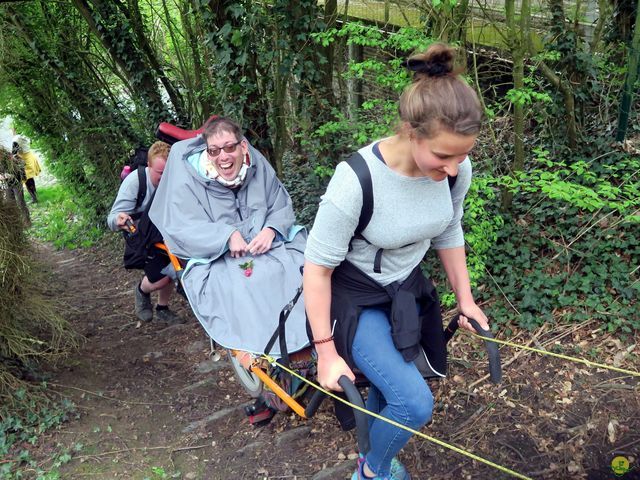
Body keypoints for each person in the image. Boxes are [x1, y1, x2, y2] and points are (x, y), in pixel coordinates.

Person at [303, 43, 491, 480]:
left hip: (406, 290)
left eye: (463, 156)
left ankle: (371, 455)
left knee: (392, 388)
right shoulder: (357, 180)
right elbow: (317, 269)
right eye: (443, 156)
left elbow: (448, 229)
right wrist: (325, 352)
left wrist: (465, 298)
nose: (453, 167)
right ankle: (373, 470)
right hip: (354, 299)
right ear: (411, 131)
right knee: (414, 402)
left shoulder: (455, 172)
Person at [148, 117, 308, 357]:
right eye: (214, 150)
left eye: (230, 147)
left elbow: (279, 202)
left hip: (267, 243)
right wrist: (226, 235)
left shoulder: (257, 165)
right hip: (219, 255)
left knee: (306, 266)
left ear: (242, 146)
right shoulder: (188, 178)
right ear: (207, 152)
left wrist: (272, 229)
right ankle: (268, 351)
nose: (223, 156)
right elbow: (181, 225)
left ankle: (314, 337)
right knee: (249, 281)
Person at [107, 140, 182, 324]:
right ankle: (142, 290)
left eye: (168, 173)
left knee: (174, 266)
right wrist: (119, 220)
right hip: (142, 234)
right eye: (160, 173)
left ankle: (162, 308)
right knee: (161, 278)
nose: (165, 178)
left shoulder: (176, 180)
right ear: (149, 166)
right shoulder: (135, 182)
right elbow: (112, 218)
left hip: (167, 231)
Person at [13, 135, 42, 203]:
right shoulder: (18, 137)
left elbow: (13, 154)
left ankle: (34, 198)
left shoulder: (15, 141)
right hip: (27, 157)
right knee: (29, 179)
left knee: (28, 179)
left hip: (26, 160)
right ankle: (34, 197)